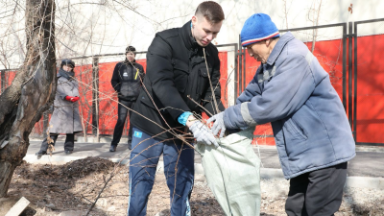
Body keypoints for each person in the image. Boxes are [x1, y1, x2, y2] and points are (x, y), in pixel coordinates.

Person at [208, 13, 356, 216]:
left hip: (325, 153)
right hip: (306, 154)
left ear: (267, 40)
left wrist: (228, 118)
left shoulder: (294, 58)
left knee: (317, 211)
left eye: (250, 47)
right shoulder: (268, 67)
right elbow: (249, 97)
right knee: (295, 209)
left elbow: (271, 105)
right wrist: (221, 123)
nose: (249, 53)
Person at [127, 1, 225, 215]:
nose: (210, 38)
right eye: (207, 31)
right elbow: (162, 85)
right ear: (194, 20)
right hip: (148, 126)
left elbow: (211, 94)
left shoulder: (211, 55)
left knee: (182, 187)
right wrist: (190, 120)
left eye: (215, 33)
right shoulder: (165, 42)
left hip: (182, 133)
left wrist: (222, 118)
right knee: (140, 187)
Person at [35, 59, 82, 156]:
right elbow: (56, 91)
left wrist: (76, 97)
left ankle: (69, 148)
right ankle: (44, 149)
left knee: (71, 130)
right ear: (62, 67)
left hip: (72, 107)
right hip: (60, 107)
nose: (68, 68)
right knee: (53, 130)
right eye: (66, 66)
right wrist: (66, 97)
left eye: (70, 66)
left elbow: (76, 91)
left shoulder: (73, 79)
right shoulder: (56, 78)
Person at [110, 46, 145, 152]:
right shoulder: (120, 66)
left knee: (134, 122)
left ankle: (131, 143)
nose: (130, 56)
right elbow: (114, 80)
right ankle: (114, 144)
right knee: (121, 121)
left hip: (135, 99)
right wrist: (119, 91)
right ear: (126, 54)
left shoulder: (139, 67)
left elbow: (144, 83)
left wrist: (141, 94)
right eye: (129, 53)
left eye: (132, 54)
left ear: (135, 55)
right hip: (123, 99)